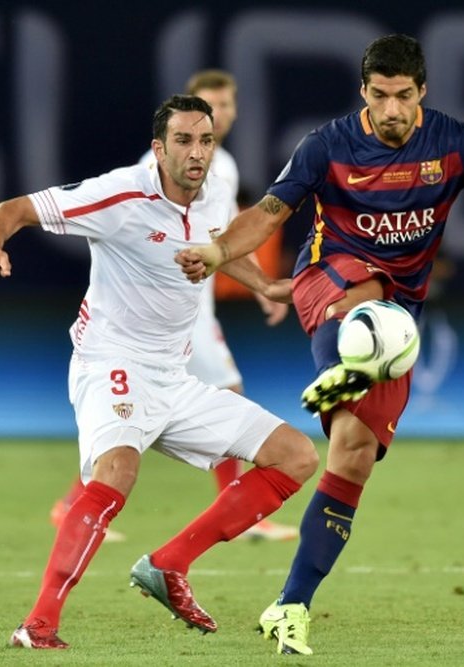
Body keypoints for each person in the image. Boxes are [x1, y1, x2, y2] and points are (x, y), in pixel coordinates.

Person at [176, 34, 464, 655]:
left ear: (422, 92)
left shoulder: (453, 141)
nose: (391, 109)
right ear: (363, 92)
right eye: (379, 95)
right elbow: (267, 212)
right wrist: (217, 251)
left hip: (399, 314)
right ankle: (350, 363)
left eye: (402, 96)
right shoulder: (327, 145)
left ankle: (290, 605)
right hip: (328, 283)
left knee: (352, 455)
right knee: (370, 300)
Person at [0, 94, 318, 649]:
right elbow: (14, 209)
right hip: (110, 361)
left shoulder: (211, 196)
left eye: (204, 140)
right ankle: (38, 625)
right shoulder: (120, 193)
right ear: (159, 149)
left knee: (296, 455)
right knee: (117, 473)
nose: (196, 152)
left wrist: (268, 287)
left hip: (173, 376)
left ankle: (169, 563)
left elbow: (224, 246)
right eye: (183, 140)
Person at [48, 70, 298, 543]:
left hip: (191, 310)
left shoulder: (222, 167)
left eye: (225, 106)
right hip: (158, 320)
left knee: (151, 420)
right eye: (209, 105)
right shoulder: (160, 166)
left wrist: (263, 286)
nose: (218, 115)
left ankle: (74, 504)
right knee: (223, 393)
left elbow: (220, 242)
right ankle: (245, 515)